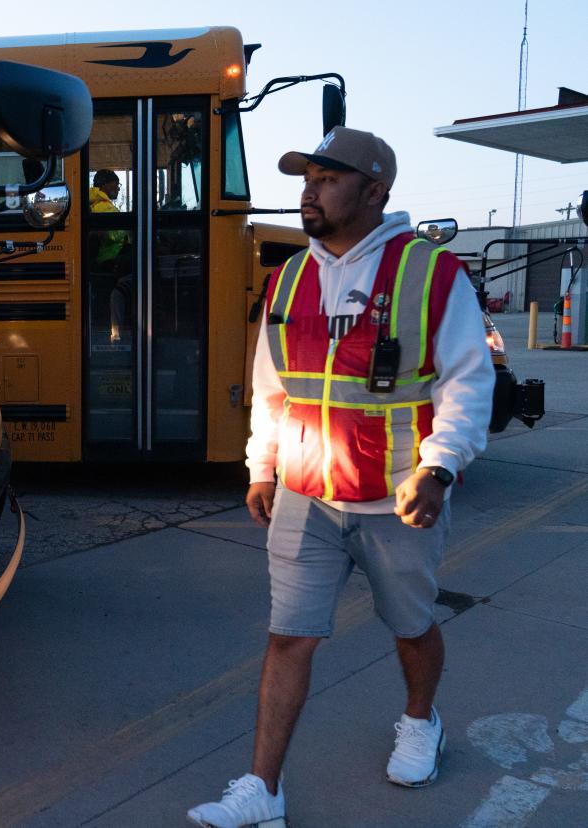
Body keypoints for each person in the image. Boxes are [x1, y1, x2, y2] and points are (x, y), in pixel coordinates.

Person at [186, 126, 494, 828]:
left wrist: (439, 467)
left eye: (327, 178)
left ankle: (422, 720)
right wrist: (261, 466)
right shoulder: (288, 278)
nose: (309, 191)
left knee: (411, 626)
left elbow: (468, 385)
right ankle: (263, 790)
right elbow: (271, 387)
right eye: (306, 179)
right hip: (304, 493)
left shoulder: (430, 274)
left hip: (397, 495)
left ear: (375, 190)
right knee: (288, 634)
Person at [88, 169, 133, 343]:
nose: (119, 188)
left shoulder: (96, 203)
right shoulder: (103, 206)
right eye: (116, 184)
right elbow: (114, 235)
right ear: (105, 184)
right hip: (109, 260)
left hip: (106, 258)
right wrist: (131, 233)